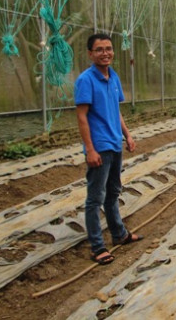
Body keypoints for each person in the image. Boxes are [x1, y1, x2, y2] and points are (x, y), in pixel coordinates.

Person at [75, 33, 142, 265]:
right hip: (100, 146)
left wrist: (127, 135)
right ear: (90, 53)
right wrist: (90, 149)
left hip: (115, 143)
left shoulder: (113, 77)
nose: (105, 53)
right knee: (95, 198)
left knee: (113, 192)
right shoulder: (86, 80)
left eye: (109, 49)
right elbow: (82, 117)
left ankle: (119, 234)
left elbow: (116, 110)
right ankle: (96, 246)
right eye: (100, 49)